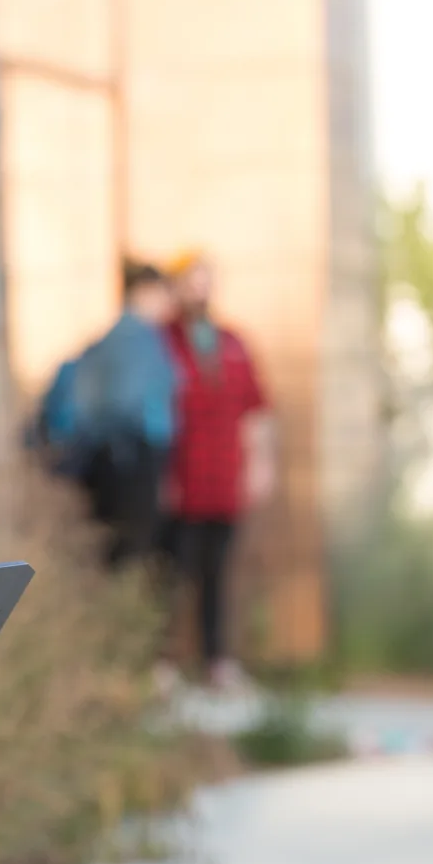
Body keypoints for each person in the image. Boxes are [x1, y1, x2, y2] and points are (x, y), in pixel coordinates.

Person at [156, 250, 276, 691]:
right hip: (181, 480)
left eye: (206, 281)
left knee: (217, 573)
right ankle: (164, 662)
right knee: (173, 572)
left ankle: (217, 660)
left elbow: (256, 409)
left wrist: (261, 464)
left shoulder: (233, 343)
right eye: (192, 281)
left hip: (224, 480)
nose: (200, 291)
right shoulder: (162, 341)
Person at [30, 261, 180, 568]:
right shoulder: (137, 338)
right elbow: (129, 402)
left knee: (114, 549)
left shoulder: (111, 337)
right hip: (133, 459)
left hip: (109, 461)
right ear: (144, 292)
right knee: (132, 551)